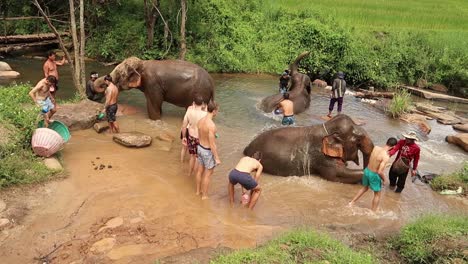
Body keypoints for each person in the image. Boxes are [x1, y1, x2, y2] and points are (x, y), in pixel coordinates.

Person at [348, 137, 397, 211]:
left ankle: (351, 202)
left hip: (367, 171)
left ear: (387, 142)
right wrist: (384, 179)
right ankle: (373, 211)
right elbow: (380, 172)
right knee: (377, 194)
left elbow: (375, 160)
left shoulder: (376, 148)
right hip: (374, 175)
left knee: (364, 188)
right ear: (393, 147)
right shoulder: (386, 156)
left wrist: (385, 165)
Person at [195, 101, 220, 200]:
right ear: (213, 111)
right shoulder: (211, 126)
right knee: (208, 174)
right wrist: (217, 158)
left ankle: (197, 191)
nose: (217, 112)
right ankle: (204, 196)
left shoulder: (200, 120)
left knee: (199, 171)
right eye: (217, 110)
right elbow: (212, 145)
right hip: (207, 151)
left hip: (199, 147)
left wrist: (212, 135)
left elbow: (200, 134)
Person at [181, 95, 207, 177]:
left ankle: (189, 173)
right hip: (200, 138)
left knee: (192, 156)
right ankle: (196, 176)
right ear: (202, 103)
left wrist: (184, 137)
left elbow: (184, 125)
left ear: (194, 103)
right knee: (197, 158)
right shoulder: (205, 114)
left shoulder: (189, 112)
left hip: (191, 136)